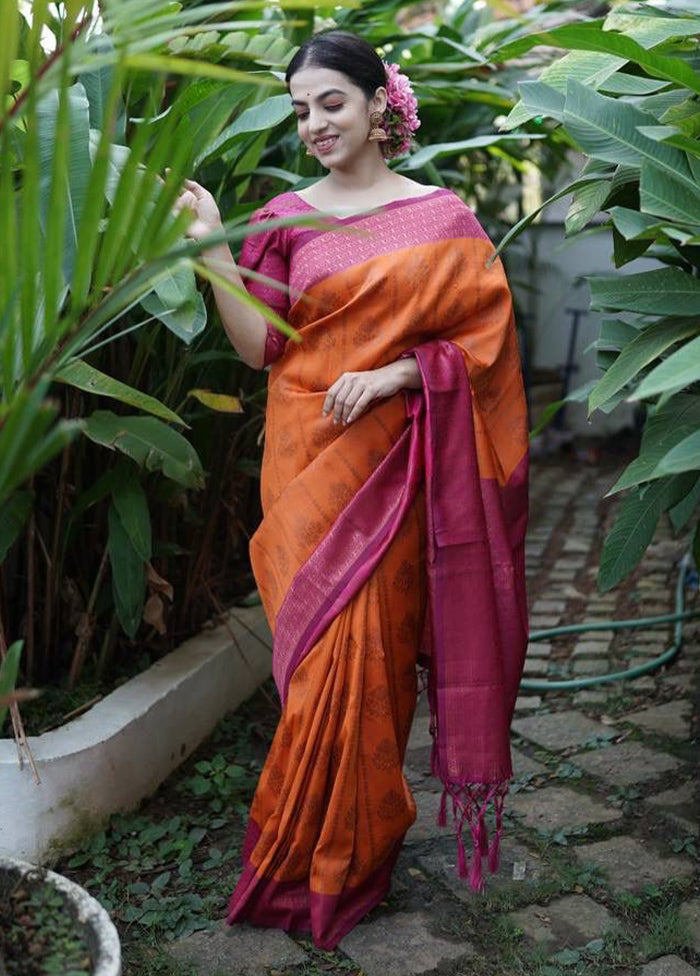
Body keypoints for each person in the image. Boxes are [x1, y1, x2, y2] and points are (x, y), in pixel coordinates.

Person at [173, 28, 530, 951]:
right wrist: (214, 245)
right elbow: (261, 348)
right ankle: (299, 856)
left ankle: (352, 857)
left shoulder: (446, 217)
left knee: (368, 666)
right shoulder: (288, 215)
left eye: (330, 101)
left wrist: (401, 376)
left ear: (380, 103)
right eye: (300, 111)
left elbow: (484, 350)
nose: (314, 123)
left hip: (396, 467)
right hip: (308, 463)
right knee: (318, 669)